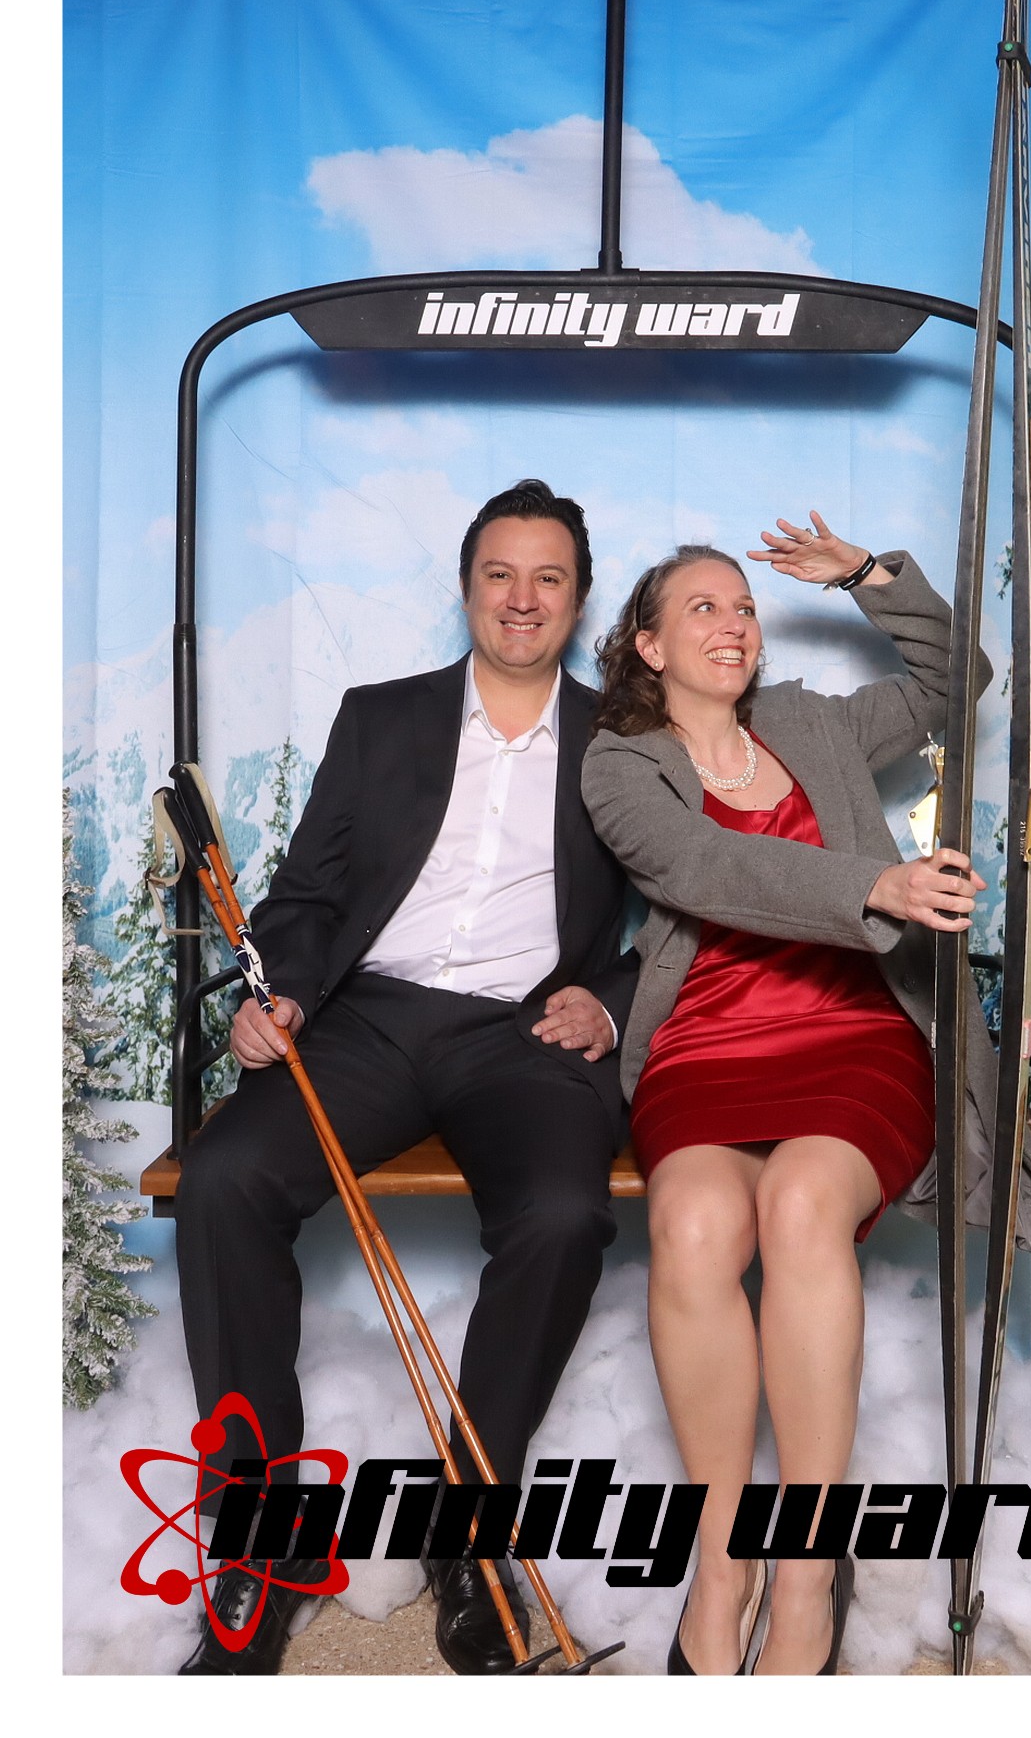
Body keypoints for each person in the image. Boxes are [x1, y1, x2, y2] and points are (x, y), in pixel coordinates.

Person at [581, 513, 1031, 1677]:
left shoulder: (812, 723)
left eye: (743, 605)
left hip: (855, 1028)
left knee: (803, 1204)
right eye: (702, 607)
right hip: (708, 1038)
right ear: (649, 645)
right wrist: (877, 881)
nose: (734, 622)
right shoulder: (620, 763)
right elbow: (703, 865)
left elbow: (957, 678)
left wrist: (868, 575)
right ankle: (725, 1559)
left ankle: (809, 1568)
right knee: (693, 1222)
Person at [175, 479, 638, 1676]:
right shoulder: (381, 718)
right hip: (367, 1018)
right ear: (467, 586)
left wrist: (611, 999)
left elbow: (685, 915)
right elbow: (309, 892)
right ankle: (263, 1528)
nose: (521, 598)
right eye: (499, 573)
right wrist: (278, 992)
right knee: (223, 1178)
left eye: (547, 577)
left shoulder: (626, 742)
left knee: (563, 1213)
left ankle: (468, 1529)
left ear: (578, 596)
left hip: (523, 1033)